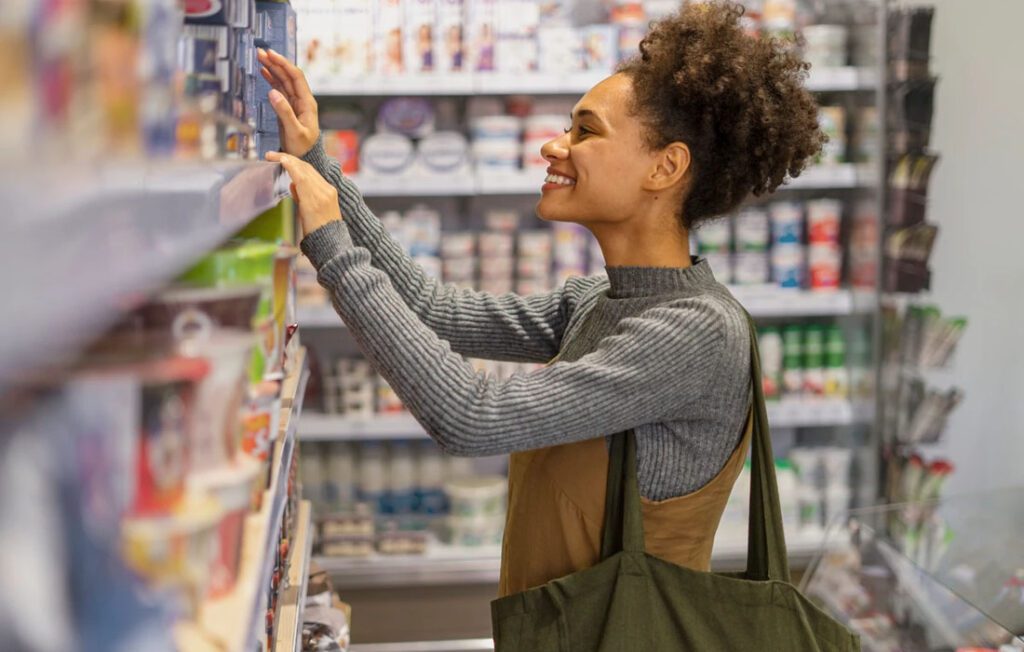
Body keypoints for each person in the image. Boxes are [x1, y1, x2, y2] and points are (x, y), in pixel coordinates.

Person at [256, 1, 823, 596]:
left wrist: (332, 248)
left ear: (666, 167)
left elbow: (471, 418)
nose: (554, 146)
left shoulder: (695, 332)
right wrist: (318, 161)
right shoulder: (600, 301)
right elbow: (434, 310)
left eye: (585, 130)